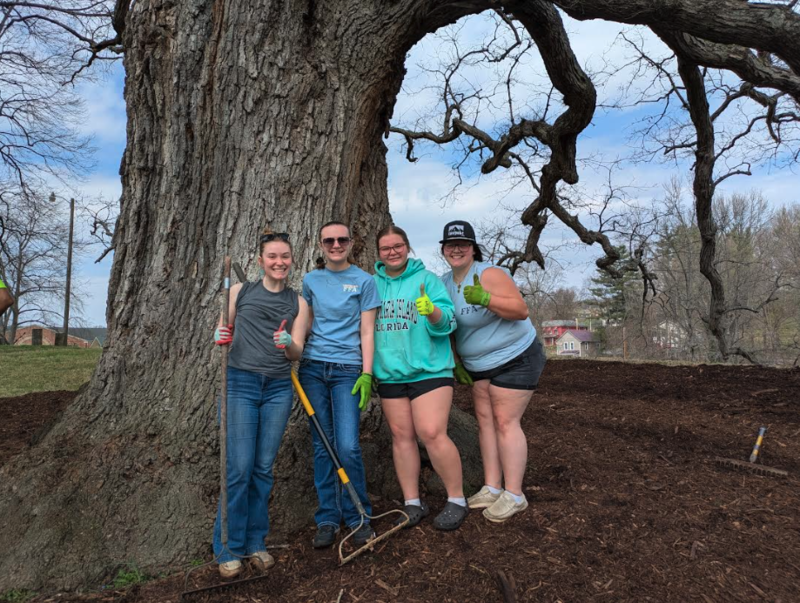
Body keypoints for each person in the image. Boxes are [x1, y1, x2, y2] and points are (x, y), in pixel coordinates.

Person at [212, 229, 309, 580]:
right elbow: (222, 328)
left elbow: (297, 350)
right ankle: (228, 546)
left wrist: (287, 343)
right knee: (238, 467)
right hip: (240, 383)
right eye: (272, 257)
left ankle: (255, 541)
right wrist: (220, 334)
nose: (279, 262)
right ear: (260, 261)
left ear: (291, 259)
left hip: (279, 388)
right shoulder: (240, 291)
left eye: (284, 256)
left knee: (263, 469)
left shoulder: (299, 303)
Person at [439, 220, 546, 522]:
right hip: (478, 365)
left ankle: (514, 494)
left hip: (515, 357)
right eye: (450, 245)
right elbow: (450, 328)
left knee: (505, 421)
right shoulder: (445, 283)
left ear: (473, 248)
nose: (456, 249)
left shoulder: (490, 274)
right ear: (443, 250)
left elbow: (520, 310)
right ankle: (491, 486)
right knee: (485, 422)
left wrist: (486, 298)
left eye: (463, 244)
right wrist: (456, 363)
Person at [372, 225, 468, 531]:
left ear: (407, 247)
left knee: (431, 433)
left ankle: (457, 499)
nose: (392, 252)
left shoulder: (426, 280)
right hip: (389, 374)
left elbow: (449, 322)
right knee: (402, 437)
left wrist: (433, 313)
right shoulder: (371, 285)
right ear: (378, 253)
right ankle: (412, 502)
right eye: (386, 248)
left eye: (398, 246)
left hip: (430, 370)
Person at [298, 221, 380, 549]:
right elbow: (303, 322)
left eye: (341, 239)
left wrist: (367, 372)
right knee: (323, 446)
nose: (335, 244)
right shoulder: (310, 281)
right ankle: (328, 518)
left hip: (348, 369)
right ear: (320, 245)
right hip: (312, 370)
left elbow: (367, 331)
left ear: (351, 242)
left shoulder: (364, 281)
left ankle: (359, 514)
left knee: (347, 445)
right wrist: (291, 347)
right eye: (328, 240)